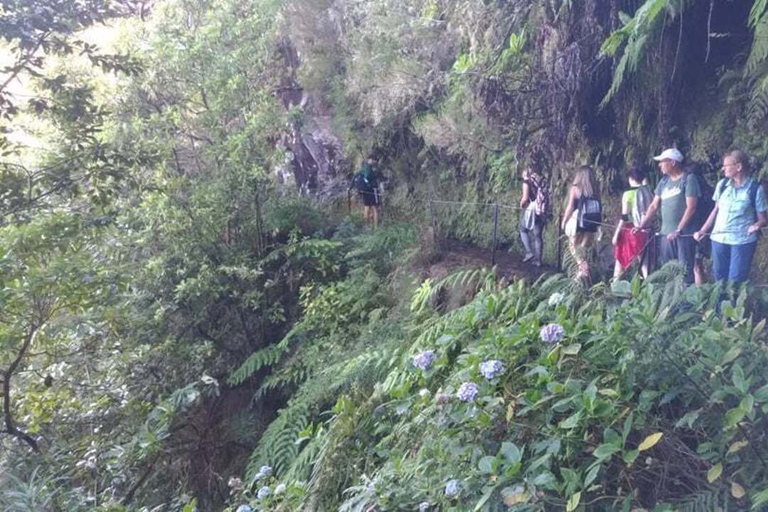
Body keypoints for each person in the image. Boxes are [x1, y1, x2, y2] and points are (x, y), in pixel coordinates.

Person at [693, 150, 767, 284]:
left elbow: (763, 219)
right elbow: (715, 210)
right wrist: (702, 230)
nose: (723, 169)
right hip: (719, 238)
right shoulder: (721, 185)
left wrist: (757, 225)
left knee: (736, 279)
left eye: (727, 165)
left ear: (738, 167)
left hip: (742, 241)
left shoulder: (755, 189)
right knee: (719, 278)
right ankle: (719, 305)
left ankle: (734, 305)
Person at [633, 148, 700, 284]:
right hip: (665, 234)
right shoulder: (663, 182)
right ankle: (672, 301)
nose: (659, 165)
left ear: (673, 162)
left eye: (663, 162)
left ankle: (687, 302)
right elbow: (653, 205)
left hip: (684, 235)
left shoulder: (689, 179)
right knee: (668, 269)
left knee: (684, 270)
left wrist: (678, 229)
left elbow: (691, 207)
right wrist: (641, 225)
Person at [561, 165, 602, 282]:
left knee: (573, 246)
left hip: (579, 222)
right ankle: (583, 278)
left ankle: (583, 269)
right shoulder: (595, 189)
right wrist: (599, 223)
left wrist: (564, 220)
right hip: (592, 222)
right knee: (583, 248)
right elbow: (600, 206)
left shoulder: (575, 188)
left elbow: (570, 207)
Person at [611, 167, 653, 279]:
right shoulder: (648, 191)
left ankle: (616, 285)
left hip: (632, 230)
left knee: (620, 256)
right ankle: (649, 285)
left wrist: (616, 234)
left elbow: (625, 216)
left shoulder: (628, 194)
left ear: (630, 178)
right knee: (644, 260)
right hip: (647, 229)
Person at [519, 167, 549, 267]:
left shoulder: (527, 183)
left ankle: (529, 252)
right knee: (538, 235)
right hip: (542, 210)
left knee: (523, 229)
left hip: (532, 210)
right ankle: (538, 261)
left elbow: (525, 198)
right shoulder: (541, 181)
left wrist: (521, 205)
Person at [351, 158, 382, 228]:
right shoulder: (369, 169)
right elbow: (369, 177)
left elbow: (355, 176)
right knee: (375, 208)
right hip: (372, 190)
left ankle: (366, 226)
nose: (373, 160)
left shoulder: (362, 169)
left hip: (364, 191)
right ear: (368, 161)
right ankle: (376, 227)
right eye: (372, 159)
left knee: (366, 207)